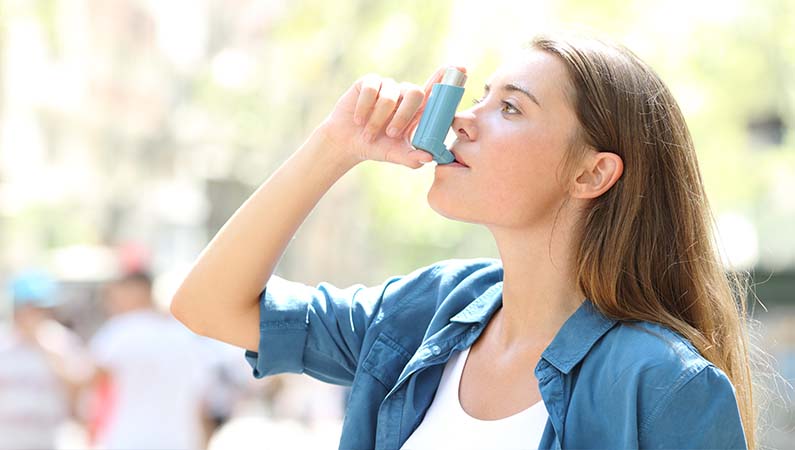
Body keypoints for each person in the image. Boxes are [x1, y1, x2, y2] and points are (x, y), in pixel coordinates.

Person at [171, 33, 755, 449]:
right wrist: (334, 146)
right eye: (480, 97)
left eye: (510, 108)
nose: (462, 120)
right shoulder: (422, 314)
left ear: (591, 174)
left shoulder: (662, 385)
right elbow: (208, 305)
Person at [88, 271, 211, 450]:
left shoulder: (119, 331)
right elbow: (201, 401)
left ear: (137, 291)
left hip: (130, 439)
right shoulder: (184, 335)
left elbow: (91, 382)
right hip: (181, 440)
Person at [0, 270, 92, 450]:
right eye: (30, 308)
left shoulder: (62, 341)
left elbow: (79, 390)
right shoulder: (3, 343)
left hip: (50, 440)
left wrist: (49, 351)